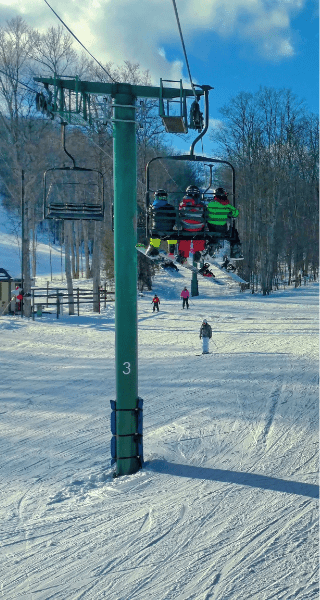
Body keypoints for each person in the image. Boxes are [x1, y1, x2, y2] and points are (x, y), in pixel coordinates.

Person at [206, 187, 242, 258]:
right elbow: (236, 213)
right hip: (222, 228)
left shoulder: (210, 205)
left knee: (210, 227)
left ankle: (212, 244)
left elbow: (205, 213)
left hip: (211, 228)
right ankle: (235, 250)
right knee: (233, 231)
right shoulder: (228, 206)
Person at [177, 185, 205, 262]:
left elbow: (180, 214)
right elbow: (205, 214)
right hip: (198, 227)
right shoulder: (201, 204)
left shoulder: (183, 203)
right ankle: (198, 252)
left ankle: (183, 255)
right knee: (199, 234)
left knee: (185, 236)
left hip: (186, 226)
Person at [146, 190, 176, 257]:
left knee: (155, 234)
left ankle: (154, 248)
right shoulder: (171, 208)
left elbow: (149, 218)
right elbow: (174, 219)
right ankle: (171, 251)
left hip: (157, 229)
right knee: (172, 235)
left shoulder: (153, 207)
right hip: (169, 230)